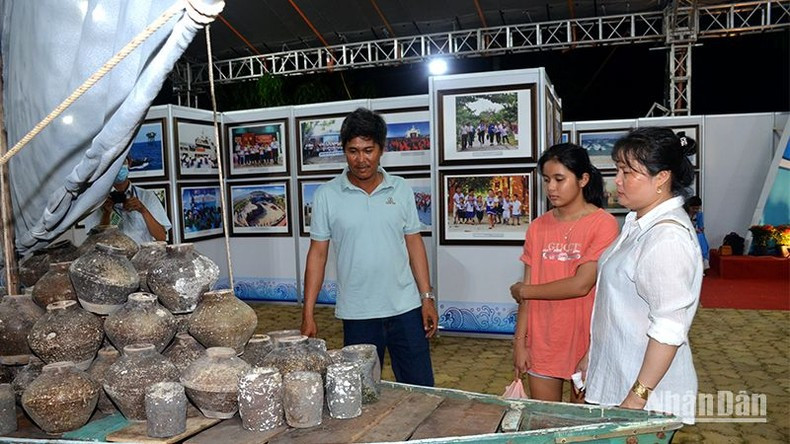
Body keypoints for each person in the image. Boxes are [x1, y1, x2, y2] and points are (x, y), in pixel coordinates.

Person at [301, 108, 438, 387]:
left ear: (381, 149)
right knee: (361, 395)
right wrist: (308, 313)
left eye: (368, 150)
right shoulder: (327, 195)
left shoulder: (400, 189)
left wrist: (427, 297)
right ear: (344, 150)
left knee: (420, 390)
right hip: (357, 314)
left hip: (405, 310)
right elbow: (318, 254)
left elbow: (414, 243)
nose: (361, 159)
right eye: (353, 151)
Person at [582, 127, 702, 424]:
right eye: (617, 170)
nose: (617, 181)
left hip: (644, 397)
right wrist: (593, 358)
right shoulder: (638, 221)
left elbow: (669, 328)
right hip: (620, 373)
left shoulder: (666, 238)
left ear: (662, 177)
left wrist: (635, 399)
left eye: (628, 172)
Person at [509, 143, 618, 403]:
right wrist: (520, 341)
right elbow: (530, 285)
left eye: (559, 179)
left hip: (587, 339)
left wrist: (524, 291)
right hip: (543, 338)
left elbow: (581, 285)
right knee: (544, 422)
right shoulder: (538, 227)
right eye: (546, 180)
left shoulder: (603, 224)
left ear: (583, 179)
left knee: (581, 428)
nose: (551, 188)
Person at [84, 157, 171, 244]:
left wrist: (143, 210)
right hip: (112, 256)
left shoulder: (147, 197)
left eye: (122, 162)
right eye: (113, 164)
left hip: (142, 256)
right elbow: (95, 242)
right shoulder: (96, 201)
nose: (118, 167)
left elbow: (161, 237)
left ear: (129, 163)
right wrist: (106, 214)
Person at [685, 195, 710, 271]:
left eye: (697, 208)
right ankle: (704, 259)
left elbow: (701, 228)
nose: (695, 210)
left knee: (701, 236)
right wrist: (693, 230)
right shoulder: (683, 214)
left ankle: (704, 259)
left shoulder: (699, 214)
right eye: (693, 208)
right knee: (699, 236)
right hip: (685, 233)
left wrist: (700, 230)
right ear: (689, 206)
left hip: (695, 234)